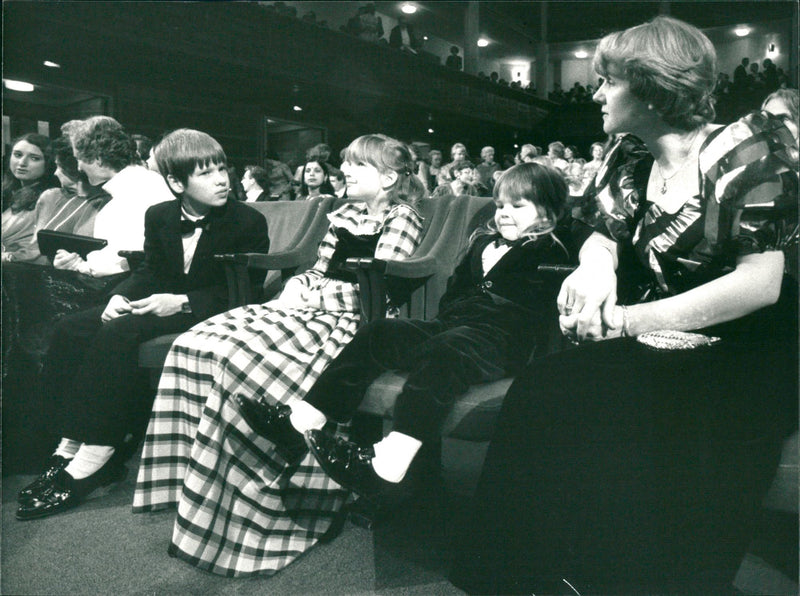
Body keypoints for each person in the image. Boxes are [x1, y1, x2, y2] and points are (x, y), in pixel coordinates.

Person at [450, 16, 798, 595]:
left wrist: (626, 320)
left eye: (607, 81)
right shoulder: (628, 156)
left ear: (651, 85)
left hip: (756, 341)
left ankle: (626, 578)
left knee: (656, 414)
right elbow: (598, 233)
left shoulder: (751, 151)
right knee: (544, 385)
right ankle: (516, 578)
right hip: (668, 335)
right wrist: (596, 268)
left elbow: (758, 285)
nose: (594, 95)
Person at [132, 134, 425, 577]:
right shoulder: (343, 213)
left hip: (356, 320)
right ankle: (198, 488)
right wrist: (300, 285)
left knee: (239, 361)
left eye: (356, 167)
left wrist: (312, 297)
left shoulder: (403, 217)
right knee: (197, 343)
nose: (342, 171)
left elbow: (380, 284)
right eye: (343, 164)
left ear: (387, 179)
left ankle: (281, 494)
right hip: (313, 308)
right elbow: (320, 269)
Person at [245, 163, 578, 501]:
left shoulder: (554, 247)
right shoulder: (482, 242)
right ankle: (302, 421)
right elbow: (456, 288)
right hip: (453, 325)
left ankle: (390, 463)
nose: (505, 214)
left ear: (548, 211)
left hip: (503, 339)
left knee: (448, 349)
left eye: (518, 206)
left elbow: (574, 251)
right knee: (379, 332)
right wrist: (451, 312)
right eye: (501, 205)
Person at [15, 129, 270, 520]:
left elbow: (243, 291)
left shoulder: (247, 221)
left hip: (210, 309)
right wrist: (122, 294)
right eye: (206, 173)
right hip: (159, 300)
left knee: (119, 331)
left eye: (222, 169)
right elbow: (149, 270)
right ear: (175, 182)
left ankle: (100, 452)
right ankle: (66, 442)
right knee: (72, 326)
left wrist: (182, 302)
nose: (222, 180)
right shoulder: (160, 215)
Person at [52, 116, 173, 278]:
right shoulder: (152, 181)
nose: (79, 167)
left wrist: (77, 265)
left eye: (79, 159)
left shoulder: (123, 203)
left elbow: (124, 262)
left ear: (98, 159)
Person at [1, 133, 58, 262]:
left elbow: (38, 248)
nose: (22, 163)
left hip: (24, 267)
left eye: (34, 158)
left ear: (48, 163)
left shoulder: (51, 196)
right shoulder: (8, 191)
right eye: (17, 155)